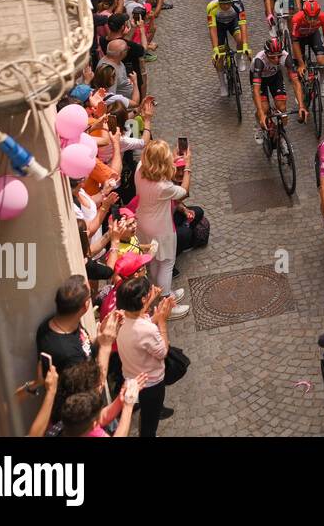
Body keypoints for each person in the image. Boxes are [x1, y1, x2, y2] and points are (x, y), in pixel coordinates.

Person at [133, 140, 191, 311]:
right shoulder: (163, 187)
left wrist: (170, 159)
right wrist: (187, 166)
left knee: (153, 261)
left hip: (142, 223)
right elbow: (184, 191)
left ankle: (162, 293)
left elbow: (155, 165)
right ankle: (167, 305)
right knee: (166, 263)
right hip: (161, 229)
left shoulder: (139, 169)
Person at [115, 276, 174, 437]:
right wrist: (162, 321)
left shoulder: (122, 319)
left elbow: (142, 321)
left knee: (141, 415)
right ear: (142, 300)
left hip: (131, 379)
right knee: (149, 422)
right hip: (151, 384)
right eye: (148, 293)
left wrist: (152, 307)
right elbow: (162, 352)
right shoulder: (147, 329)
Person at [249, 34, 307, 141]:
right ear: (266, 54)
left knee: (282, 108)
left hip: (275, 77)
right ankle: (258, 126)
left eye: (279, 56)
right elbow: (256, 90)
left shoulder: (285, 57)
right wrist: (261, 113)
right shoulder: (259, 61)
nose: (276, 60)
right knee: (264, 108)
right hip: (260, 79)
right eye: (272, 57)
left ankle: (281, 134)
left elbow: (296, 82)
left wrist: (301, 106)